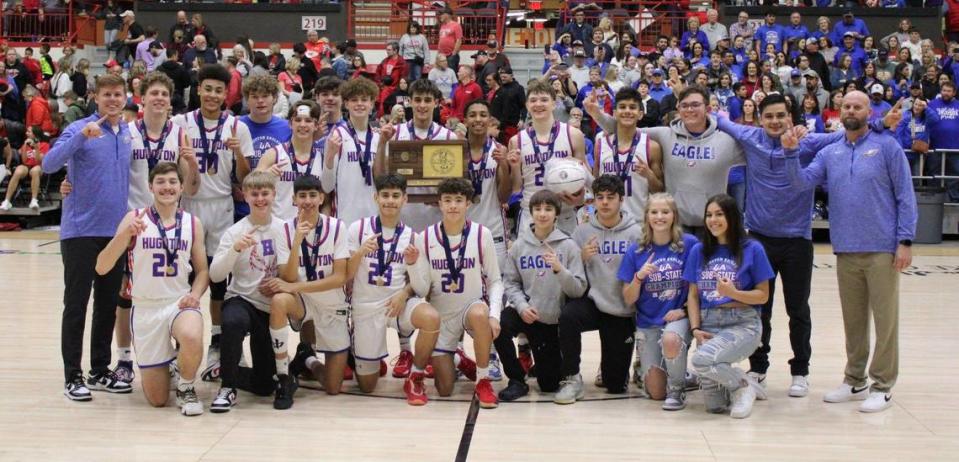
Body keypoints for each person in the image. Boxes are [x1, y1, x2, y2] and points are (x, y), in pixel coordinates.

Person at [782, 90, 917, 413]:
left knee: (886, 321)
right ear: (838, 111)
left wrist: (905, 241)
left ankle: (882, 384)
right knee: (853, 320)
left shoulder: (887, 146)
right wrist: (789, 154)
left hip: (883, 248)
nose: (852, 110)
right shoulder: (831, 152)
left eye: (858, 106)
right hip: (845, 248)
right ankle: (854, 378)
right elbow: (801, 183)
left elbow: (905, 195)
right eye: (846, 106)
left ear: (870, 112)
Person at [42, 73, 134, 401]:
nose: (112, 99)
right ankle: (72, 375)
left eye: (117, 94)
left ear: (125, 97)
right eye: (106, 94)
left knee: (107, 305)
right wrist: (81, 135)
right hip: (80, 232)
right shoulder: (80, 128)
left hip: (115, 234)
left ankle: (99, 369)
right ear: (95, 97)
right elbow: (50, 164)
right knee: (77, 304)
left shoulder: (126, 133)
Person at [93, 161, 208, 416]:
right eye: (161, 182)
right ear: (150, 187)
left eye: (172, 182)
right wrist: (125, 236)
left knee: (190, 334)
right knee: (157, 400)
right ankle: (169, 365)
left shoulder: (192, 223)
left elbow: (202, 272)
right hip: (145, 308)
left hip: (178, 302)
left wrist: (195, 294)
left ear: (181, 188)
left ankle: (187, 387)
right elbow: (101, 267)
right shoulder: (134, 218)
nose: (167, 187)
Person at [172, 64, 254, 382]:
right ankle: (181, 345)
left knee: (220, 283)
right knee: (185, 282)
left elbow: (246, 179)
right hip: (188, 207)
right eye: (207, 88)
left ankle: (218, 345)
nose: (212, 95)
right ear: (199, 90)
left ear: (225, 95)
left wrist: (241, 156)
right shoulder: (180, 123)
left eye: (219, 90)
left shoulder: (237, 127)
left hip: (221, 208)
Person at [587, 84, 744, 233]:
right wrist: (596, 113)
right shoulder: (665, 135)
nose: (689, 110)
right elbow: (625, 127)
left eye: (695, 105)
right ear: (678, 109)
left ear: (708, 109)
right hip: (674, 223)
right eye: (684, 105)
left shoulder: (726, 141)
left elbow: (758, 154)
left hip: (712, 223)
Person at [405, 178, 505, 408]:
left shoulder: (482, 234)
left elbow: (496, 280)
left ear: (468, 204)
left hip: (470, 308)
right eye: (447, 200)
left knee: (481, 313)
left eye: (458, 200)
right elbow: (421, 289)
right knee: (445, 389)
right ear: (439, 204)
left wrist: (495, 315)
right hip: (442, 316)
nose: (453, 206)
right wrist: (412, 264)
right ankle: (457, 358)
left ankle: (483, 380)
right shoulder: (425, 237)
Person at [345, 174, 438, 400]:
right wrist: (359, 253)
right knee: (367, 386)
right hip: (365, 307)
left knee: (430, 317)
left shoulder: (412, 237)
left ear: (404, 199)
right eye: (385, 195)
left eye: (396, 196)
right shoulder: (357, 229)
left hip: (396, 305)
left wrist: (405, 291)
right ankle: (361, 352)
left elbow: (422, 288)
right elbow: (345, 275)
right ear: (376, 197)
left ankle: (415, 377)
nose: (390, 200)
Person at [208, 171, 290, 413]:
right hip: (242, 300)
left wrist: (280, 283)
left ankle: (225, 367)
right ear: (245, 196)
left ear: (274, 195)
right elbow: (215, 276)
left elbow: (294, 270)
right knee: (232, 321)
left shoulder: (285, 229)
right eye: (255, 194)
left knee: (264, 386)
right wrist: (235, 249)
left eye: (265, 193)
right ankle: (227, 386)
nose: (260, 198)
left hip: (270, 309)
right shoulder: (235, 231)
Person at [686, 194, 774, 419]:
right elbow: (693, 295)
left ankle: (742, 387)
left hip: (743, 322)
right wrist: (695, 329)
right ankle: (740, 381)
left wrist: (733, 293)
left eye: (719, 214)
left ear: (732, 217)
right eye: (709, 215)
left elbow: (763, 296)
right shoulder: (699, 250)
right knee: (715, 407)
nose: (713, 220)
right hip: (709, 323)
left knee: (700, 361)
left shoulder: (752, 248)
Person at [266, 174, 350, 409]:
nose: (308, 201)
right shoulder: (284, 229)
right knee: (280, 300)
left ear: (322, 197)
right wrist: (296, 241)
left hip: (332, 304)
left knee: (333, 387)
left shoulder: (337, 227)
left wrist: (296, 287)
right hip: (301, 302)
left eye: (313, 195)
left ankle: (307, 360)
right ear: (294, 199)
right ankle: (283, 376)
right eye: (302, 196)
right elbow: (287, 277)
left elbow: (339, 277)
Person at [555, 175, 641, 403]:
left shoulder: (636, 233)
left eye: (610, 198)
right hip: (592, 302)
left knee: (616, 386)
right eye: (600, 197)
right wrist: (581, 258)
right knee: (568, 317)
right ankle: (572, 377)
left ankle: (616, 367)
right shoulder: (582, 231)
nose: (604, 203)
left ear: (621, 200)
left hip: (621, 308)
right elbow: (569, 271)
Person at [496, 190, 587, 401]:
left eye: (548, 209)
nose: (542, 214)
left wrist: (559, 269)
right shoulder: (519, 246)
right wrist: (521, 306)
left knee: (549, 385)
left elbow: (578, 289)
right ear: (531, 213)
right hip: (528, 313)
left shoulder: (568, 245)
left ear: (556, 213)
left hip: (552, 321)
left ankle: (545, 363)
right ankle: (517, 380)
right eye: (537, 209)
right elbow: (510, 282)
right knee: (499, 323)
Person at [620, 192, 699, 409]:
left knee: (672, 339)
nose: (659, 217)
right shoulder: (636, 251)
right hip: (649, 323)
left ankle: (677, 389)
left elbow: (700, 286)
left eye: (665, 212)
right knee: (655, 392)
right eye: (654, 212)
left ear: (674, 215)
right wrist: (639, 277)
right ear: (646, 217)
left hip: (678, 317)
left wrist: (684, 310)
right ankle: (682, 375)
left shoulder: (690, 245)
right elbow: (628, 299)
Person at [374, 79, 458, 232]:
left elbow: (455, 185)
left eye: (427, 100)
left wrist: (442, 196)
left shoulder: (448, 137)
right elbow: (380, 177)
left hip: (436, 220)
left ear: (436, 102)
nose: (422, 105)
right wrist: (381, 143)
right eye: (418, 99)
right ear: (409, 101)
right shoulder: (394, 133)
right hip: (401, 219)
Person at [511, 78, 588, 235]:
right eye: (533, 100)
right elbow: (516, 188)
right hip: (531, 213)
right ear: (526, 105)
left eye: (544, 100)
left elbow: (586, 177)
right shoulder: (516, 140)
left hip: (564, 213)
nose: (538, 104)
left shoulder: (573, 134)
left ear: (554, 103)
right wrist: (513, 167)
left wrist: (580, 198)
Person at [594, 88, 664, 224]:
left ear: (640, 114)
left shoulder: (652, 146)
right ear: (614, 113)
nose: (627, 111)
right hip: (606, 221)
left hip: (639, 221)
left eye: (632, 107)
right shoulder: (600, 144)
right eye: (622, 107)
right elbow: (595, 185)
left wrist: (648, 174)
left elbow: (660, 190)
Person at [322, 77, 381, 228]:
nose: (360, 104)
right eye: (354, 100)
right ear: (346, 104)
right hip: (345, 219)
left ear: (372, 104)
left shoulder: (378, 138)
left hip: (374, 217)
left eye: (364, 99)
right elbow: (327, 187)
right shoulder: (337, 135)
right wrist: (329, 158)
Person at [256, 101, 324, 222]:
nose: (302, 125)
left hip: (311, 226)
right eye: (298, 120)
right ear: (290, 124)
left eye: (308, 121)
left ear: (316, 125)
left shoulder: (322, 158)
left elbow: (326, 199)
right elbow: (251, 186)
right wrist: (266, 176)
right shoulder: (273, 154)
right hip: (279, 226)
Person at [239, 74, 293, 171]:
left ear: (275, 98)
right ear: (247, 100)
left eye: (265, 96)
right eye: (255, 97)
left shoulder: (288, 127)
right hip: (245, 183)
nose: (260, 101)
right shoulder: (237, 125)